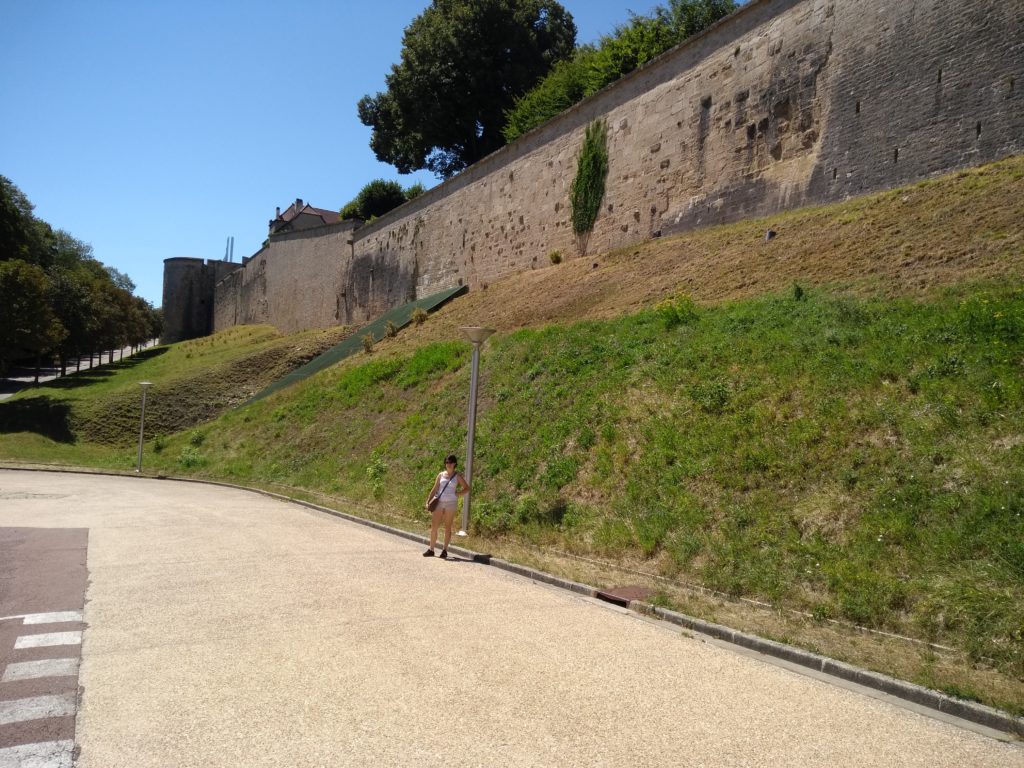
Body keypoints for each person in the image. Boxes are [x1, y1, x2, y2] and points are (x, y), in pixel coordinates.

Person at [423, 454, 470, 559]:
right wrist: (428, 501)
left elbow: (467, 488)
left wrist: (458, 494)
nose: (448, 464)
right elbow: (434, 489)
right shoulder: (440, 475)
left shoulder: (457, 476)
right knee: (434, 526)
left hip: (451, 503)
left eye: (450, 462)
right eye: (446, 462)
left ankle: (445, 550)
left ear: (454, 464)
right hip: (439, 502)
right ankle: (431, 549)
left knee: (447, 527)